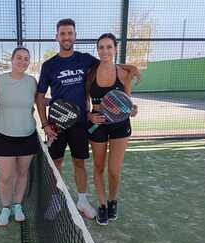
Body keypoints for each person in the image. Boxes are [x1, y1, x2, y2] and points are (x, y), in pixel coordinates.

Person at [36, 18, 140, 220]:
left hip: (81, 122)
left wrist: (131, 68)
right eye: (63, 33)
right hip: (56, 123)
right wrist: (45, 124)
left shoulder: (86, 60)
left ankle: (82, 202)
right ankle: (55, 199)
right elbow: (39, 96)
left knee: (79, 163)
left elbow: (109, 62)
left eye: (70, 33)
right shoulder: (49, 65)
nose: (67, 37)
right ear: (56, 36)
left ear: (75, 36)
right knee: (55, 163)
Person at [85, 33, 138, 225]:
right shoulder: (90, 73)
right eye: (101, 47)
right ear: (97, 50)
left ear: (115, 49)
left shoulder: (124, 74)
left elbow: (127, 102)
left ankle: (112, 200)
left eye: (109, 47)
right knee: (98, 167)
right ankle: (102, 205)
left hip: (120, 126)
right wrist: (90, 116)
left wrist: (132, 109)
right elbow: (85, 103)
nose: (105, 51)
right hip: (97, 125)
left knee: (114, 170)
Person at [0, 47, 39, 227]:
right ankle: (5, 207)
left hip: (27, 136)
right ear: (12, 59)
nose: (22, 62)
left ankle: (17, 205)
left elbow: (38, 101)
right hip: (3, 136)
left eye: (26, 59)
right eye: (19, 58)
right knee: (5, 176)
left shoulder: (32, 82)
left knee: (22, 173)